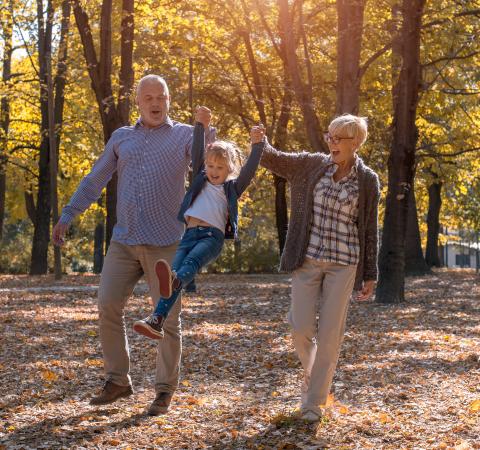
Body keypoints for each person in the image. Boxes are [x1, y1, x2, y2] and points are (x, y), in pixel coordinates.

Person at [52, 75, 216, 416]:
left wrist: (204, 128)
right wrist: (68, 215)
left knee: (168, 318)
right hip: (124, 241)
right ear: (138, 103)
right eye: (148, 98)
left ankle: (164, 389)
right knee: (108, 304)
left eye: (161, 97)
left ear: (169, 101)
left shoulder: (185, 135)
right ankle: (118, 381)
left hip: (167, 244)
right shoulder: (121, 138)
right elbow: (96, 178)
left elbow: (205, 163)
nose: (155, 103)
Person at [253, 114, 380, 422]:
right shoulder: (311, 165)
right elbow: (275, 159)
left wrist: (370, 273)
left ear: (355, 143)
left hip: (344, 263)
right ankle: (314, 377)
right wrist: (260, 142)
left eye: (338, 139)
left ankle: (313, 403)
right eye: (329, 136)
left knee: (330, 335)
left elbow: (369, 229)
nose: (331, 143)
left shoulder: (367, 181)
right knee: (300, 328)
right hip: (307, 259)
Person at [133, 122, 265, 339]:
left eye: (220, 167)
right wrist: (200, 126)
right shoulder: (200, 181)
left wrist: (257, 145)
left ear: (229, 169)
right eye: (210, 166)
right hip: (188, 235)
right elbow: (196, 151)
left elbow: (249, 171)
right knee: (170, 282)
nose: (214, 171)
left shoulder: (231, 188)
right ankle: (156, 321)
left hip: (211, 237)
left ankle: (172, 289)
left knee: (190, 264)